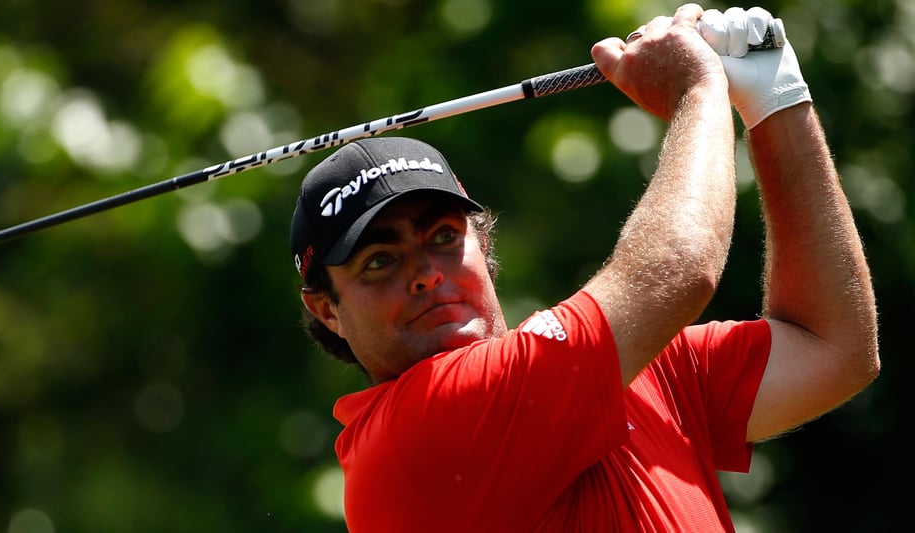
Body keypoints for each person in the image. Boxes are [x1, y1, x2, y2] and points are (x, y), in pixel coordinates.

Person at [288, 4, 879, 531]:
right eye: (380, 261)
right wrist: (698, 92)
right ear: (326, 310)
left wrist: (777, 100)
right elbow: (680, 269)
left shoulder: (623, 367)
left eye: (444, 237)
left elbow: (833, 348)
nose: (424, 272)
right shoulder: (411, 435)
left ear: (484, 246)